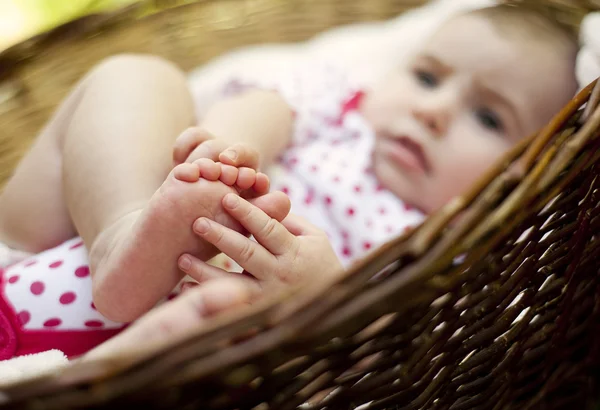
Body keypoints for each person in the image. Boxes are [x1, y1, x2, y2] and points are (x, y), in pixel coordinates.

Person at [0, 3, 581, 361]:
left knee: (226, 313)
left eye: (488, 117)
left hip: (179, 334)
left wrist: (327, 294)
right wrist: (228, 150)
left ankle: (123, 354)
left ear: (521, 168)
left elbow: (412, 343)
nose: (434, 111)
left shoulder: (448, 237)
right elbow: (265, 107)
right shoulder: (335, 108)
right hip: (62, 237)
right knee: (138, 77)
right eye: (427, 77)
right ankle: (122, 233)